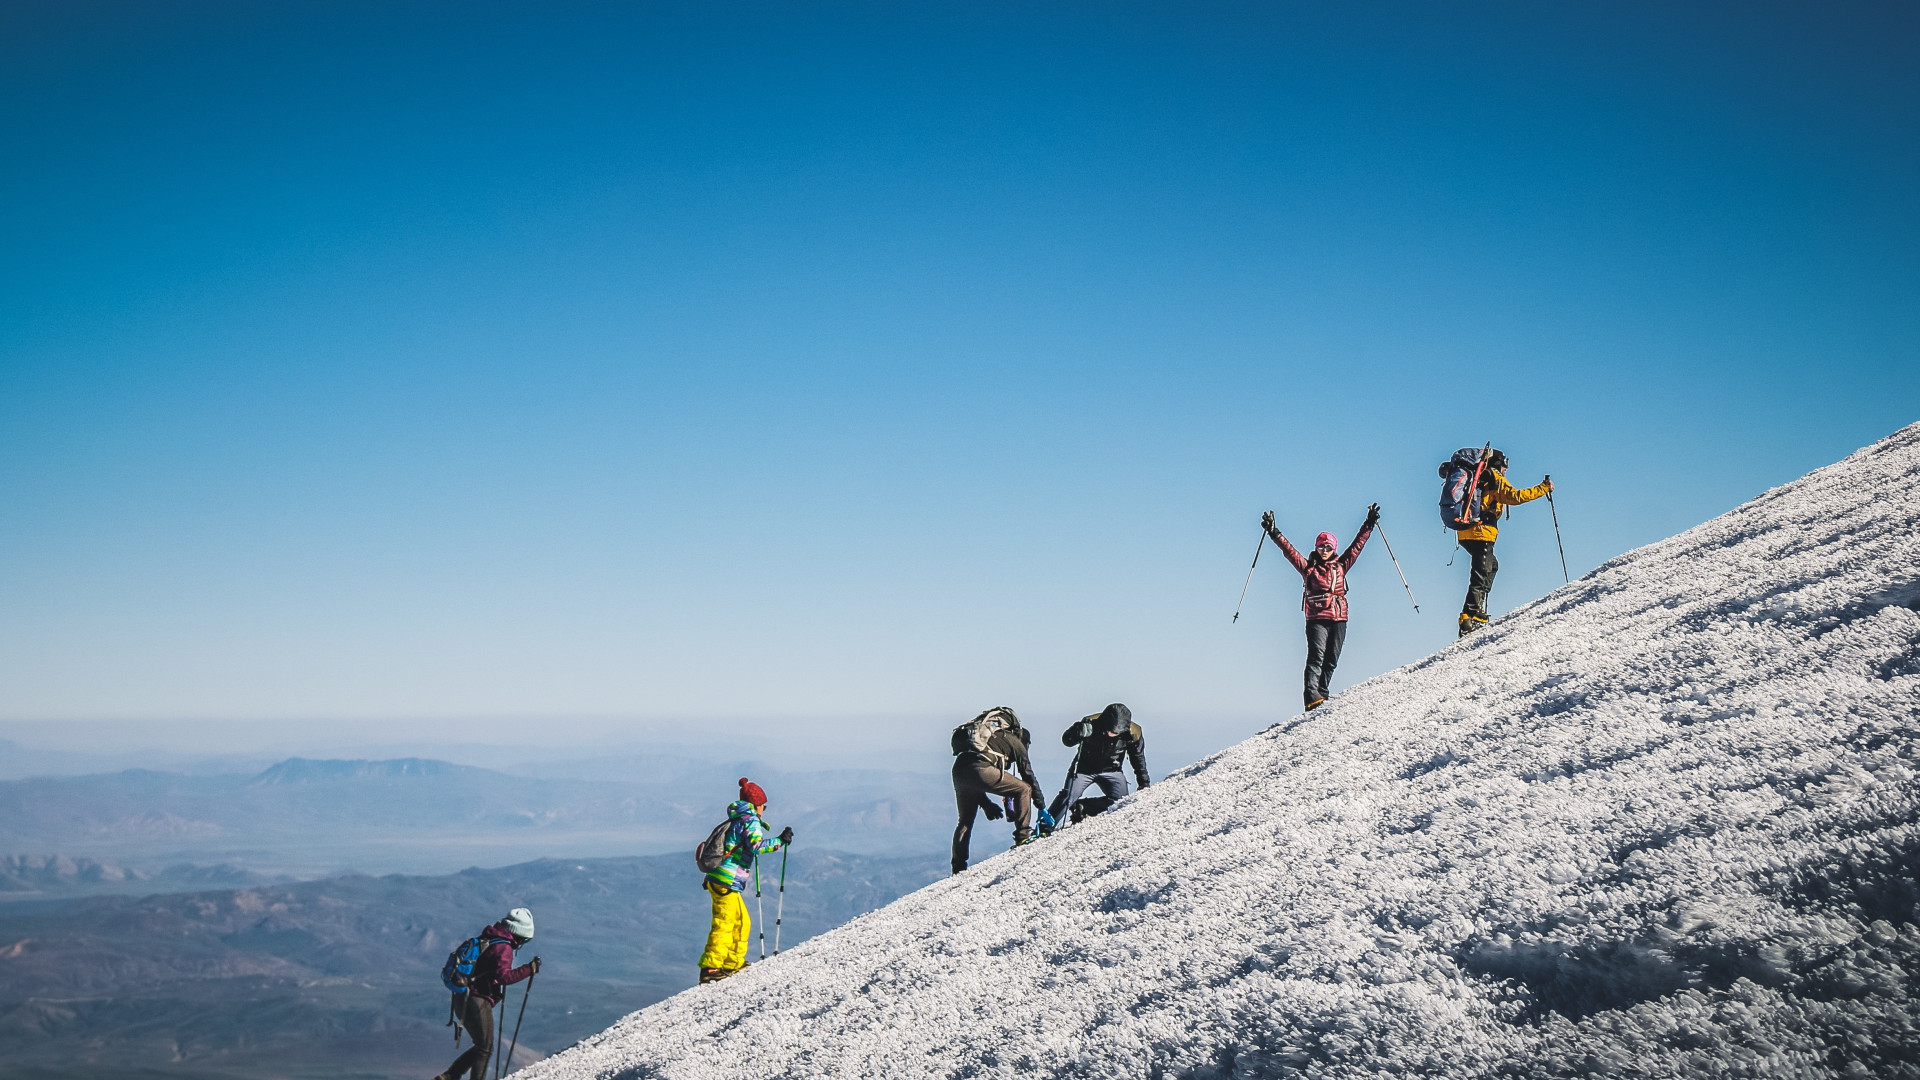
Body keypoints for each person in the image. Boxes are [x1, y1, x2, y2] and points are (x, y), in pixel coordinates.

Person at [1262, 504, 1377, 709]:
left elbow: (1357, 546)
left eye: (1328, 547)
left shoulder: (1341, 565)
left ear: (1334, 548)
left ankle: (1322, 694)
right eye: (1321, 546)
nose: (1325, 550)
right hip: (1316, 618)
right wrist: (1274, 532)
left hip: (1340, 617)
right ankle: (1311, 697)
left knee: (1332, 658)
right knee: (1317, 657)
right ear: (1316, 547)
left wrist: (1368, 524)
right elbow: (1289, 551)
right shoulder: (1308, 568)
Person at [698, 778, 792, 984]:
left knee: (742, 922)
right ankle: (711, 968)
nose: (764, 809)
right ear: (757, 804)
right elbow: (756, 846)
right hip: (726, 881)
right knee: (724, 923)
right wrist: (780, 841)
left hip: (722, 881)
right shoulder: (750, 820)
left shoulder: (739, 818)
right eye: (764, 806)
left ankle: (733, 963)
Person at [1453, 449, 1551, 637]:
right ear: (1498, 464)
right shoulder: (1493, 477)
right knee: (1480, 574)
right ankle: (1468, 617)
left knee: (1491, 566)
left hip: (1465, 532)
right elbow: (1515, 497)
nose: (1506, 469)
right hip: (1482, 532)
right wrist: (1543, 488)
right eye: (1505, 465)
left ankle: (1476, 609)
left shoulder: (1478, 477)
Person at [435, 907, 540, 1080]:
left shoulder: (489, 938)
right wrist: (529, 969)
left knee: (481, 1046)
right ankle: (451, 1076)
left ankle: (449, 1076)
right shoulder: (503, 948)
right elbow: (505, 977)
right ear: (519, 934)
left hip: (462, 997)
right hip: (477, 1000)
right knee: (485, 1047)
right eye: (526, 939)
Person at [950, 706, 1040, 874]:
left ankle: (958, 866)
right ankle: (1023, 837)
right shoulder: (1016, 742)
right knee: (1024, 789)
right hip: (980, 769)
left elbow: (973, 777)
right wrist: (1041, 806)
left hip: (959, 769)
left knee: (964, 821)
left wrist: (985, 804)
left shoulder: (993, 738)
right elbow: (1028, 776)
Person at [1044, 703, 1150, 832]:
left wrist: (1144, 782)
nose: (1113, 734)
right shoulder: (1090, 724)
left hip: (1112, 771)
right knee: (1068, 796)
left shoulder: (1133, 733)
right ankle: (1044, 828)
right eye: (1111, 730)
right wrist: (1076, 731)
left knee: (1121, 803)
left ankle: (1084, 807)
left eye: (1116, 732)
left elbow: (1137, 758)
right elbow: (1067, 741)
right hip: (1084, 769)